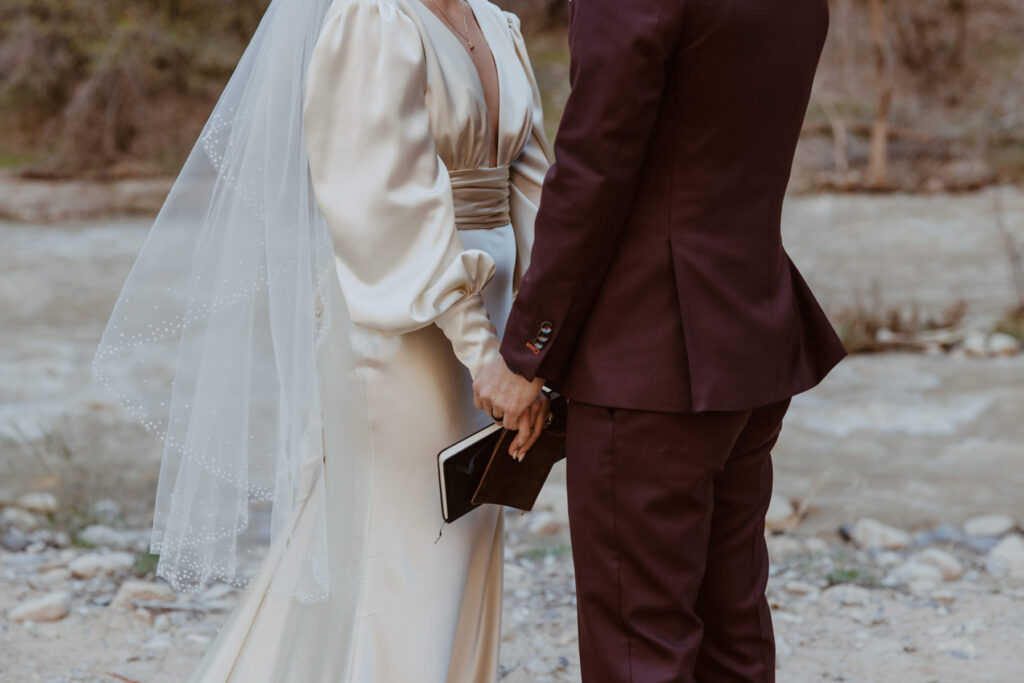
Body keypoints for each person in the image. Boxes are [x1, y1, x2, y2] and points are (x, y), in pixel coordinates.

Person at [93, 0, 551, 680]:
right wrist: (484, 353)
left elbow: (537, 185)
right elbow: (388, 203)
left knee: (465, 536)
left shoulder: (497, 23)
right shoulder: (372, 19)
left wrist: (539, 341)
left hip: (500, 326)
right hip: (405, 326)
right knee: (406, 548)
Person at [474, 0, 848, 680]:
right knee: (733, 630)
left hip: (650, 351)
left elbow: (593, 168)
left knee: (639, 644)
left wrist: (529, 349)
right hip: (750, 332)